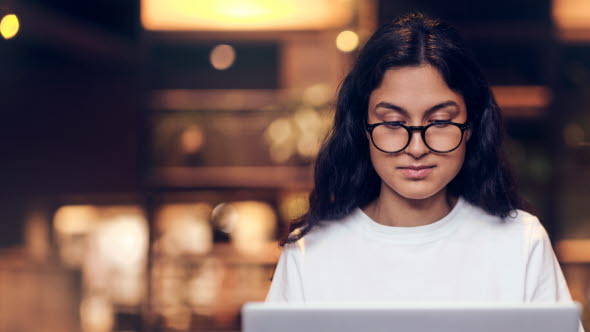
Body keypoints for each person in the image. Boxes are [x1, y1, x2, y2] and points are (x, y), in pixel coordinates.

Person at [265, 12, 578, 313]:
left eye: (440, 121)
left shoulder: (520, 242)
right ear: (363, 126)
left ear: (471, 125)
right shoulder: (312, 252)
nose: (416, 148)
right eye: (392, 122)